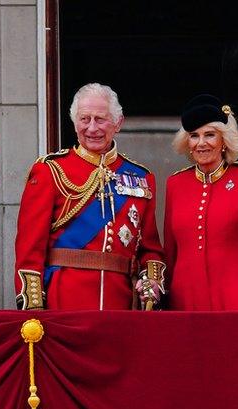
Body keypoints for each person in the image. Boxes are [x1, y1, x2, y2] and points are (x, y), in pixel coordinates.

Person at [14, 83, 164, 310]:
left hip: (119, 302)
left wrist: (152, 283)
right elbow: (29, 248)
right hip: (64, 299)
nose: (92, 128)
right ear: (74, 123)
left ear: (118, 123)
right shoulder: (51, 171)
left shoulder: (141, 177)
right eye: (85, 119)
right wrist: (34, 306)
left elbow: (150, 248)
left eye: (100, 119)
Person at [163, 94, 238, 311]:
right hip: (186, 300)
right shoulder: (176, 183)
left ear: (223, 141)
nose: (201, 143)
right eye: (194, 136)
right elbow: (170, 250)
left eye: (210, 135)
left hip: (237, 295)